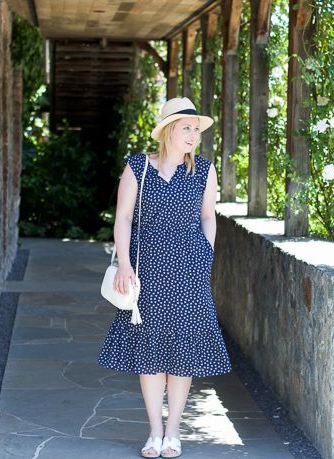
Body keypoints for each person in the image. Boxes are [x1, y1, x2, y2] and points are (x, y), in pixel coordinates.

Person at [98, 97, 232, 458]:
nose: (193, 135)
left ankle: (173, 432)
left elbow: (208, 217)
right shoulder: (138, 166)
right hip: (147, 271)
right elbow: (123, 217)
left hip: (190, 270)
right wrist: (124, 264)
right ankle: (154, 432)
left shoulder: (204, 170)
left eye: (196, 129)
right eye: (186, 128)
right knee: (151, 350)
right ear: (169, 130)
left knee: (182, 350)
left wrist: (205, 254)